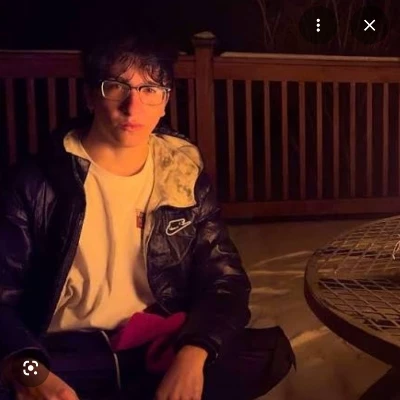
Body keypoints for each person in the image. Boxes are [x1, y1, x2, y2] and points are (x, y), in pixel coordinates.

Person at [0, 33, 295, 400]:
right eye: (116, 87)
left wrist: (193, 355)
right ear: (90, 96)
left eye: (150, 89)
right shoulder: (35, 181)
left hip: (153, 342)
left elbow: (225, 281)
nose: (133, 106)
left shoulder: (181, 175)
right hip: (63, 353)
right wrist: (31, 373)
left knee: (267, 353)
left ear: (165, 101)